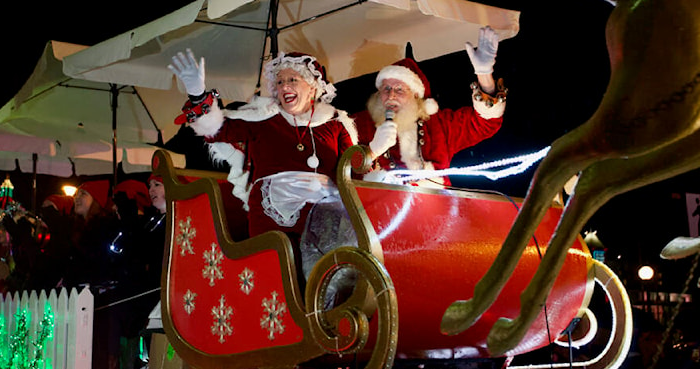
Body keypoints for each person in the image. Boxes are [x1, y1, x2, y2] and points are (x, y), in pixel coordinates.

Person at [168, 49, 357, 239]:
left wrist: (378, 149)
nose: (284, 87)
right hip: (272, 217)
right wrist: (197, 94)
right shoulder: (264, 118)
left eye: (293, 80)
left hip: (327, 214)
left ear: (313, 87)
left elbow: (355, 170)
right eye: (280, 82)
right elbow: (217, 130)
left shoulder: (335, 123)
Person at [353, 26, 507, 187]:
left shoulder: (440, 124)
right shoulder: (359, 125)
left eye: (399, 89)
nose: (391, 95)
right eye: (386, 89)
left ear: (416, 95)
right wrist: (371, 151)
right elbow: (338, 168)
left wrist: (484, 75)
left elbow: (485, 124)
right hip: (378, 209)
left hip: (438, 207)